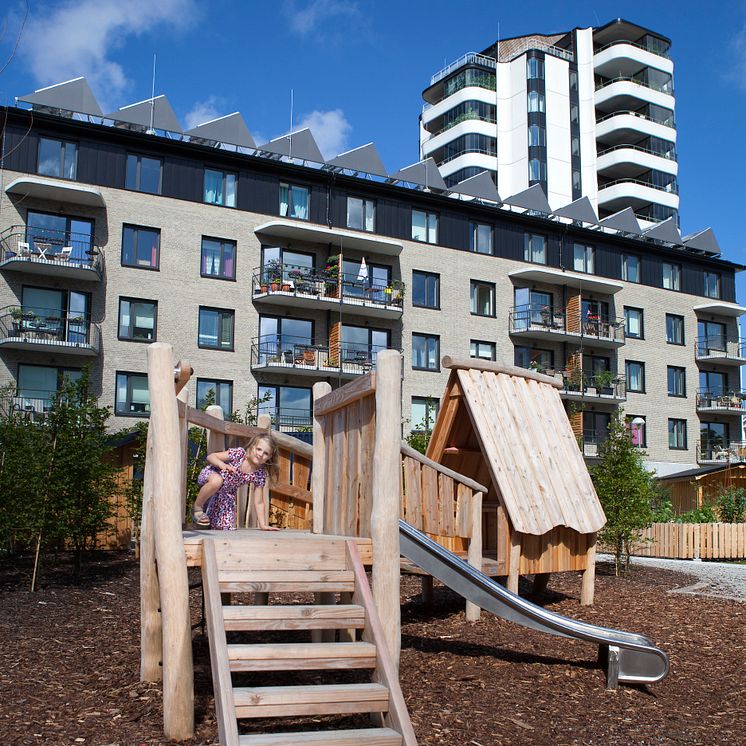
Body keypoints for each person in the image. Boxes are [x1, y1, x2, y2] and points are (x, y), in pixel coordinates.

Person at [192, 433, 280, 531]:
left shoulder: (259, 474)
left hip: (225, 494)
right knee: (217, 481)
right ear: (251, 447)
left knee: (224, 527)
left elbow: (259, 502)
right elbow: (211, 457)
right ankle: (197, 507)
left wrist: (263, 524)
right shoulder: (239, 454)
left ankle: (203, 522)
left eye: (266, 453)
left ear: (269, 457)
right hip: (211, 475)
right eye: (258, 449)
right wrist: (221, 464)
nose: (260, 454)